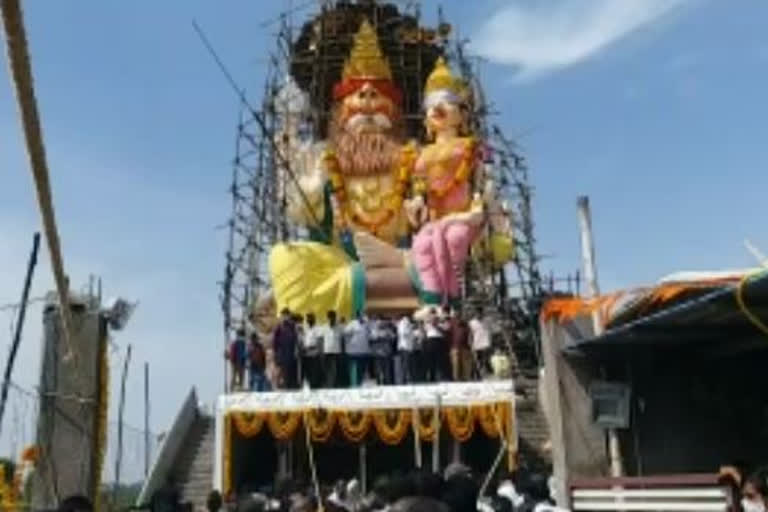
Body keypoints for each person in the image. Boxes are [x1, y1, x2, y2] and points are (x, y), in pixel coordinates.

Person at [272, 309, 299, 389]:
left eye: (287, 315)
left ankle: (287, 385)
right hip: (281, 352)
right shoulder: (279, 326)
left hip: (290, 352)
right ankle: (276, 386)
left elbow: (296, 339)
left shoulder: (293, 326)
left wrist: (296, 350)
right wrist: (276, 352)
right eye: (284, 315)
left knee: (289, 370)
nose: (286, 317)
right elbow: (275, 341)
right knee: (280, 369)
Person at [344, 311, 370, 387]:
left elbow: (370, 334)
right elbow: (345, 333)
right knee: (350, 369)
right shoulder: (352, 323)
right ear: (358, 316)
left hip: (363, 351)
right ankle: (350, 385)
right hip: (352, 352)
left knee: (361, 370)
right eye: (362, 315)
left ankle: (359, 385)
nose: (364, 316)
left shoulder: (367, 324)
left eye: (364, 315)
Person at [321, 310, 344, 388]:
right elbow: (320, 339)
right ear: (327, 318)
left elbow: (343, 338)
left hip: (337, 352)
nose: (331, 319)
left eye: (333, 317)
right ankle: (328, 385)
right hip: (327, 352)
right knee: (327, 370)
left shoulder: (340, 327)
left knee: (337, 370)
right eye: (330, 317)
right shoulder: (324, 327)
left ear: (335, 317)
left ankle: (336, 385)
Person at [469, 308, 492, 379]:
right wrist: (471, 344)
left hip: (485, 344)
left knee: (485, 361)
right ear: (475, 314)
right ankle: (475, 376)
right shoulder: (472, 323)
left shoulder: (487, 321)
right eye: (477, 314)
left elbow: (490, 332)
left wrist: (490, 341)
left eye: (480, 313)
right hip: (477, 345)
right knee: (477, 362)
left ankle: (484, 375)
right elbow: (470, 334)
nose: (479, 315)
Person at [302, 313, 324, 388]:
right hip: (306, 353)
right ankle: (309, 388)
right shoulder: (305, 328)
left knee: (315, 374)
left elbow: (320, 342)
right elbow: (303, 341)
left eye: (310, 318)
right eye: (308, 318)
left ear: (314, 319)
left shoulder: (318, 328)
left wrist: (318, 352)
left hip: (314, 353)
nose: (309, 320)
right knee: (307, 374)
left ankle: (315, 389)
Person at [450, 314, 473, 381]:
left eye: (459, 318)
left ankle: (466, 377)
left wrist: (471, 344)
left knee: (465, 363)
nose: (458, 320)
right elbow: (449, 335)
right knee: (455, 364)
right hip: (455, 347)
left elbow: (470, 336)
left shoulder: (466, 326)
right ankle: (456, 378)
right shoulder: (452, 326)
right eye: (457, 318)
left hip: (465, 347)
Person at [423, 309, 444, 382]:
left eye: (434, 315)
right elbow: (425, 331)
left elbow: (443, 330)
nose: (433, 317)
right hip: (431, 340)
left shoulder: (440, 323)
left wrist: (436, 325)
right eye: (431, 315)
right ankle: (431, 377)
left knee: (439, 359)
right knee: (431, 360)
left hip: (438, 340)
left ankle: (439, 376)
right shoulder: (427, 323)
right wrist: (429, 322)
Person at [396, 314, 415, 384]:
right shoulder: (405, 322)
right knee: (405, 364)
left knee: (404, 364)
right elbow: (404, 333)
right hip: (405, 347)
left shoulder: (403, 323)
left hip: (403, 346)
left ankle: (404, 379)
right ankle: (404, 379)